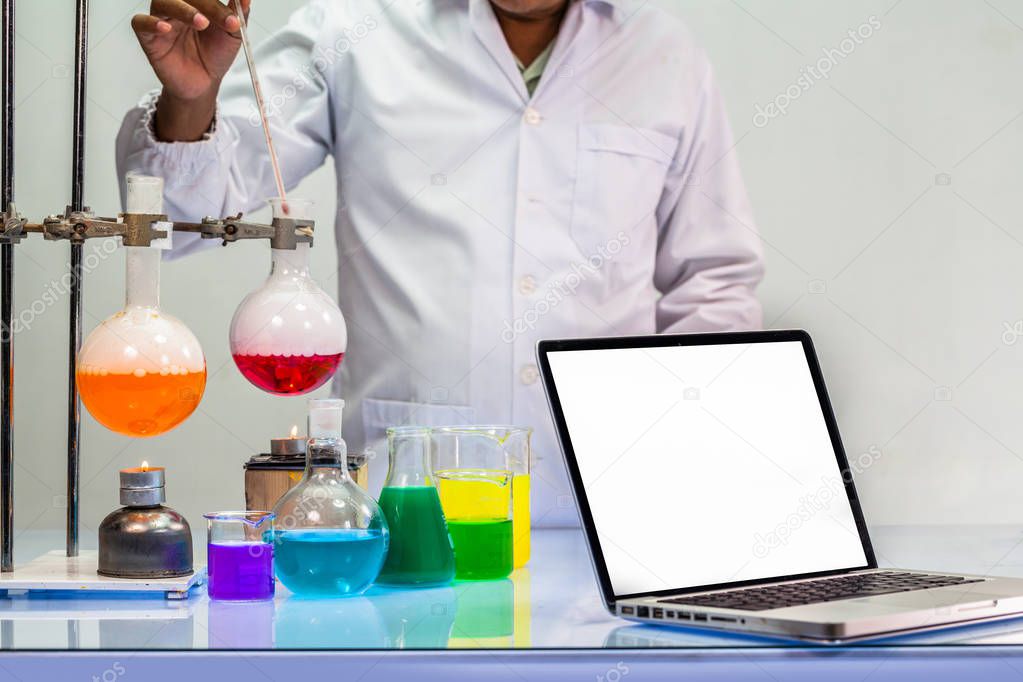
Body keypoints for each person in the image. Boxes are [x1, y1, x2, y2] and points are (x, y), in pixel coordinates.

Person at [118, 0, 764, 527]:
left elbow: (714, 278)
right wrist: (190, 103)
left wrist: (689, 461)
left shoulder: (663, 52)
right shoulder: (352, 26)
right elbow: (180, 217)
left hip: (614, 510)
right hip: (407, 498)